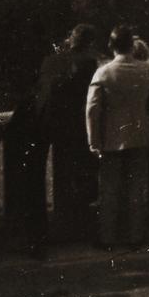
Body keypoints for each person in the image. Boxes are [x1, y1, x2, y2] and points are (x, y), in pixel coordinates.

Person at [85, 23, 149, 250]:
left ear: (111, 45)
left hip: (110, 139)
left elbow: (92, 109)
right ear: (132, 45)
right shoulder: (146, 70)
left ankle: (108, 237)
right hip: (140, 135)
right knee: (136, 188)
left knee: (109, 190)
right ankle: (136, 236)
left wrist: (94, 141)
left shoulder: (103, 73)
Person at [35, 24, 101, 244]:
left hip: (51, 125)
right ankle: (76, 225)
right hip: (76, 124)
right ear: (89, 43)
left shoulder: (51, 61)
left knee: (62, 172)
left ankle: (62, 221)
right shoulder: (88, 63)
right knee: (79, 174)